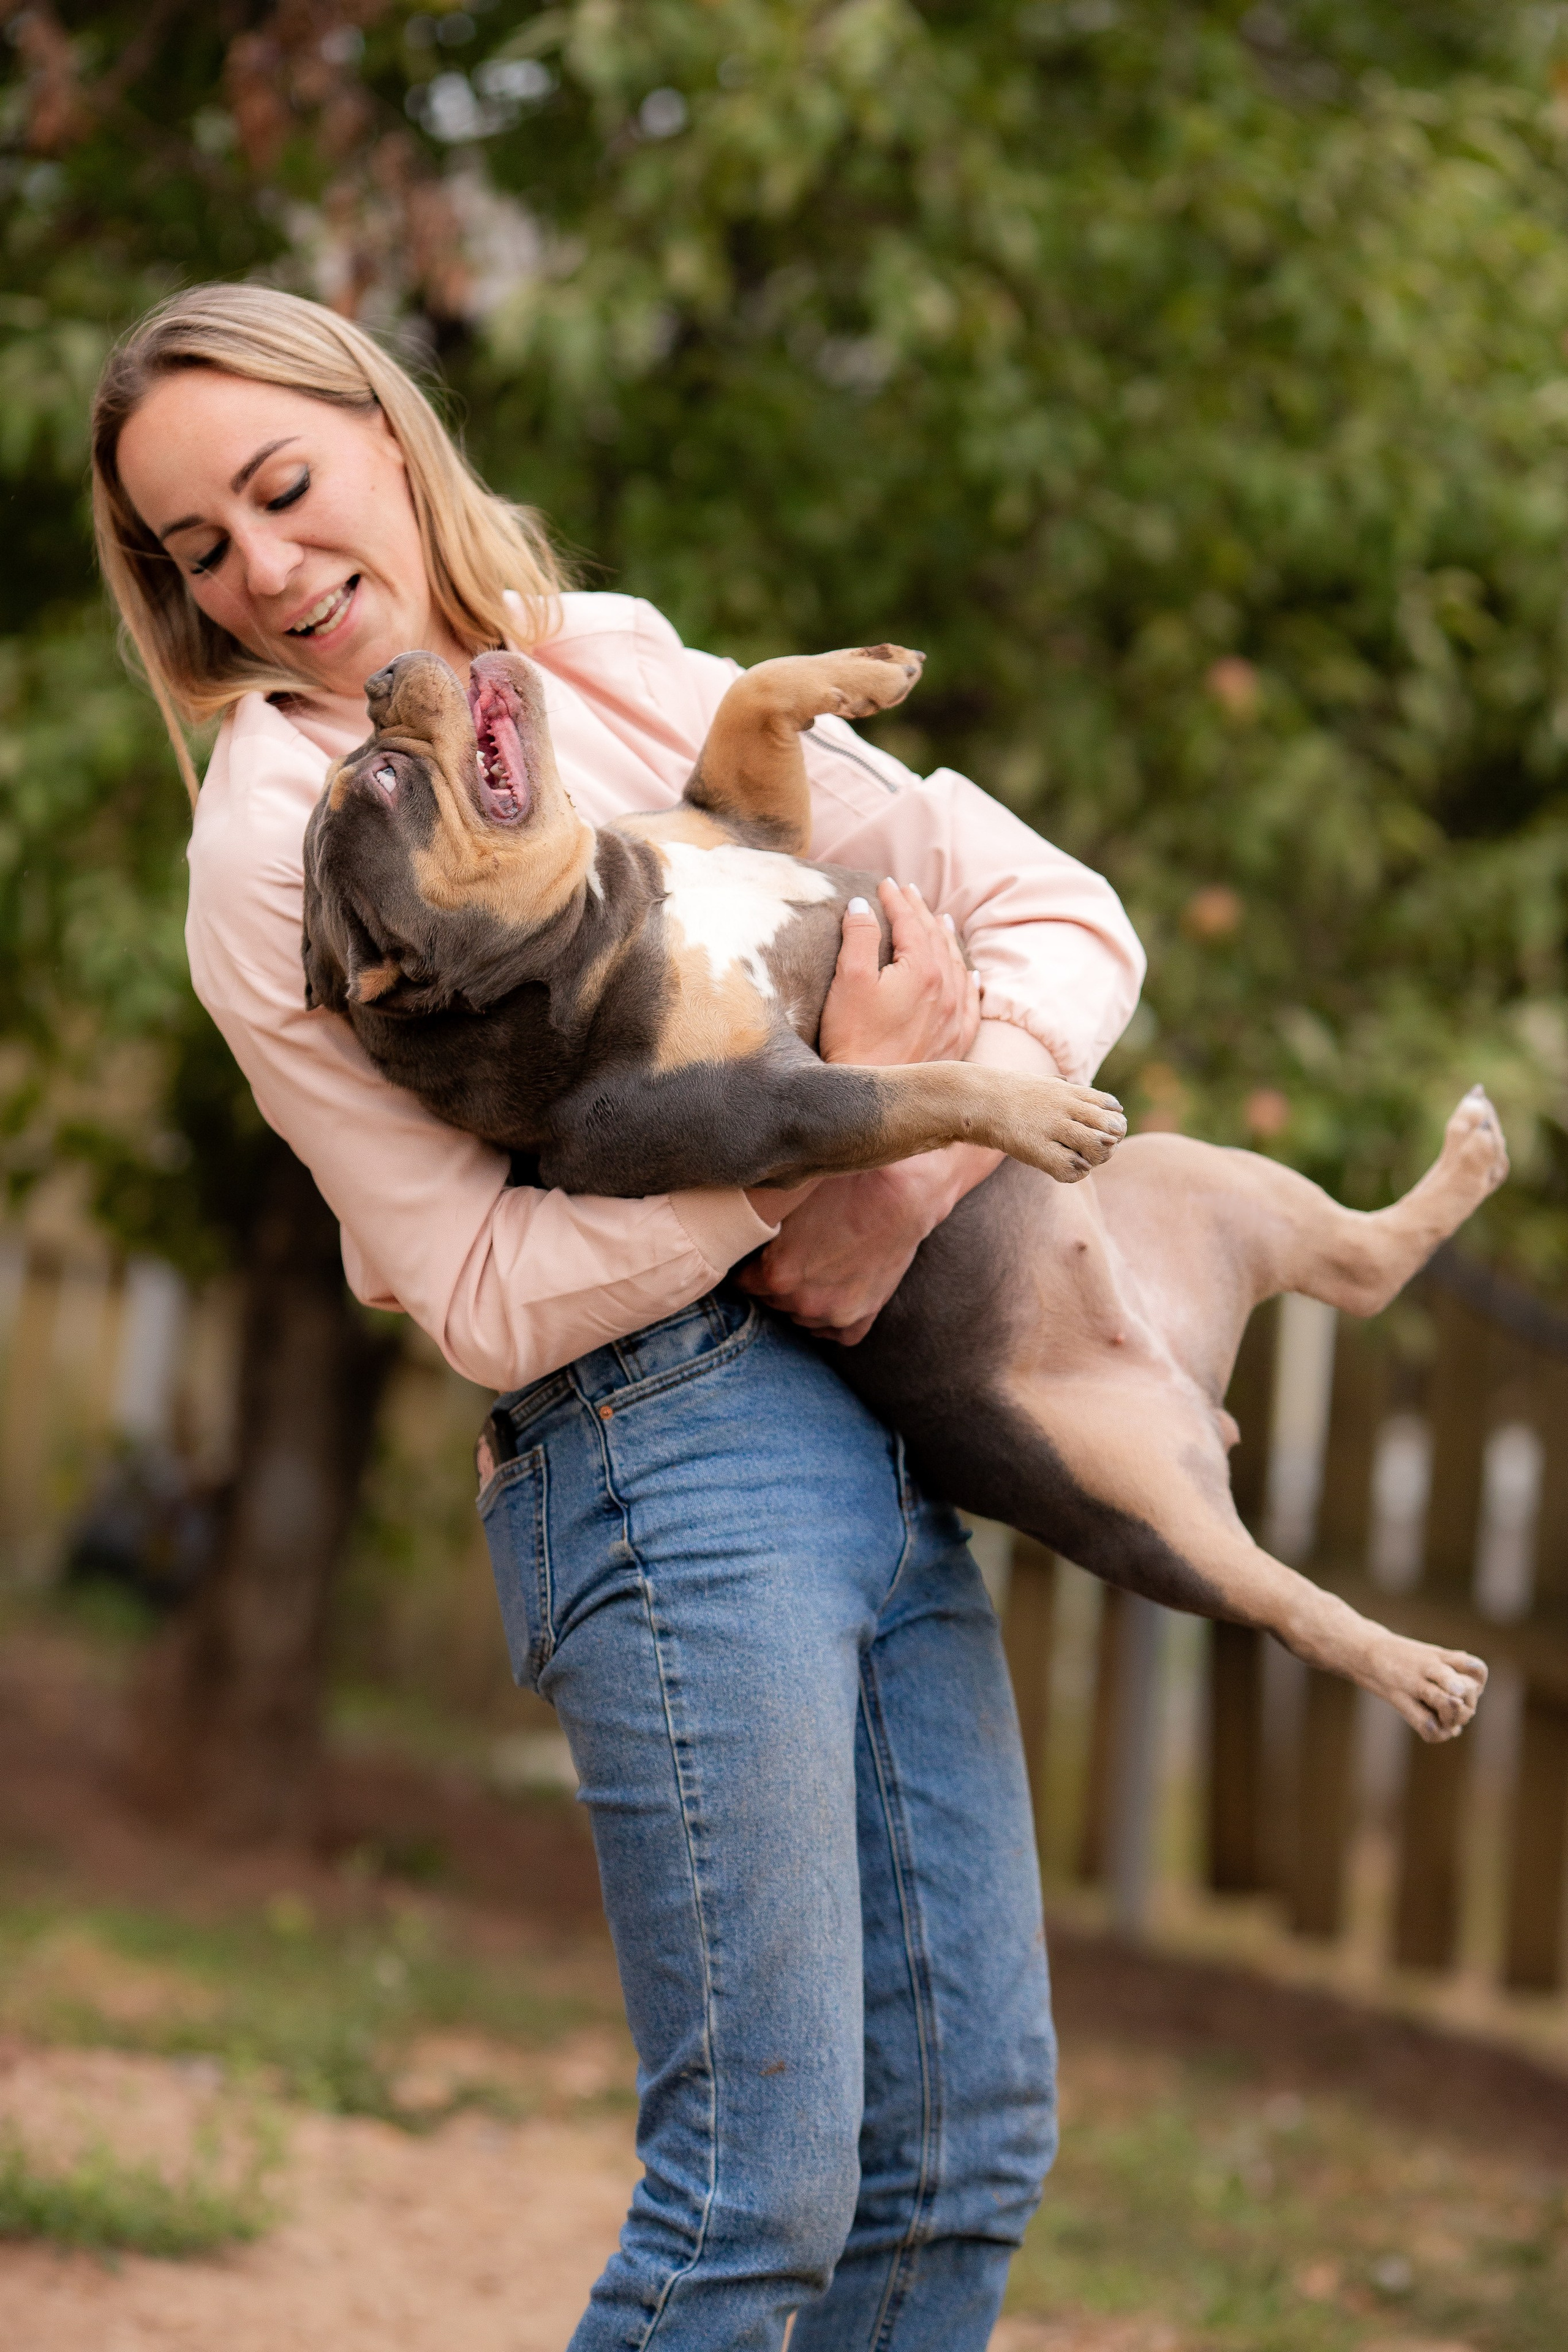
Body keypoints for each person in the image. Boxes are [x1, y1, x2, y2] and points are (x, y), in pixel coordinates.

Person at [93, 283, 1145, 2352]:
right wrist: (800, 1163)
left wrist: (908, 1169)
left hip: (872, 1404)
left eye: (286, 491)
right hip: (660, 1446)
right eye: (199, 550)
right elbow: (481, 1288)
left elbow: (1056, 911)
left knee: (965, 2155)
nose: (267, 575)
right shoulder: (278, 842)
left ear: (386, 434)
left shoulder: (615, 665)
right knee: (760, 2197)